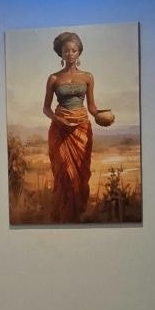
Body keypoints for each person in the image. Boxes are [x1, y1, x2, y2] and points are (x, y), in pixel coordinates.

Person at [42, 31, 115, 222]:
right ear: (60, 53)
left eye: (73, 50)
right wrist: (58, 120)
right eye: (66, 50)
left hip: (81, 128)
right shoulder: (53, 78)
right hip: (60, 129)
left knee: (80, 173)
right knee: (64, 172)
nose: (70, 54)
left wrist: (100, 115)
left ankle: (78, 215)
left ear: (79, 52)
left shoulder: (88, 77)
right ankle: (63, 216)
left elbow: (91, 106)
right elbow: (46, 109)